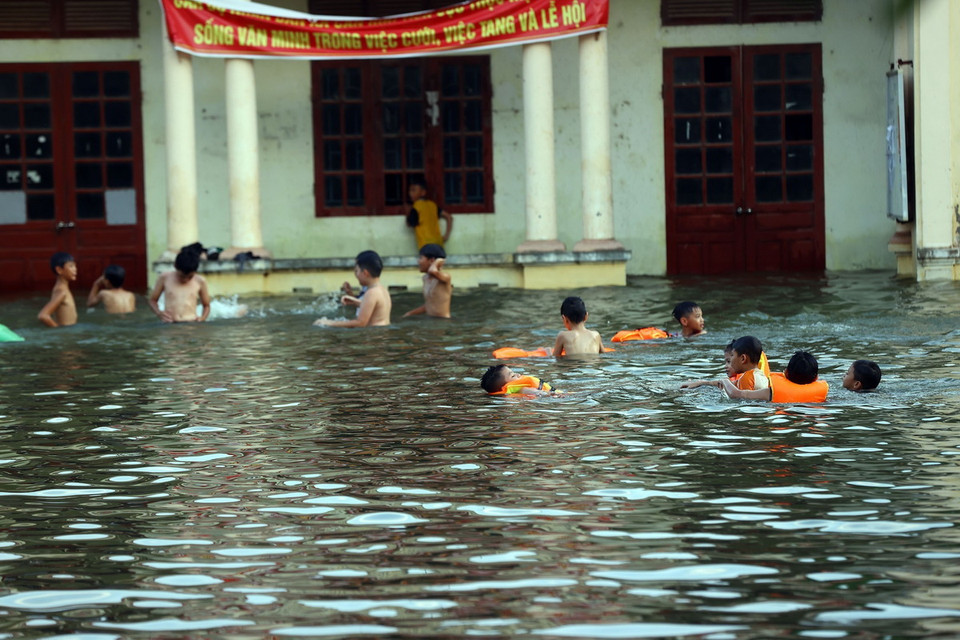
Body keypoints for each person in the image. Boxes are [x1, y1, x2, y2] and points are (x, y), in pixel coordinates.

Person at [315, 250, 391, 328]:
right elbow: (374, 308)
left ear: (365, 273)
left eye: (356, 271)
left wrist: (329, 323)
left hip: (374, 334)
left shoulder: (371, 293)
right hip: (381, 333)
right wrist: (355, 302)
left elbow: (360, 323)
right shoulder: (383, 290)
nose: (355, 275)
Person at [681, 336, 769, 398]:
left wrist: (725, 381)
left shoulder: (747, 378)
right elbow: (730, 384)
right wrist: (702, 383)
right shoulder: (758, 375)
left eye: (732, 356)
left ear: (743, 358)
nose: (731, 360)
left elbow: (735, 395)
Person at [148, 249, 211, 323]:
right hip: (170, 323)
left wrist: (203, 318)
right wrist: (159, 313)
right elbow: (152, 301)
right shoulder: (165, 277)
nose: (185, 280)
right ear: (175, 266)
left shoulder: (200, 281)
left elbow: (206, 305)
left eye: (190, 277)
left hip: (191, 323)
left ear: (195, 271)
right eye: (182, 276)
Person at [403, 244, 452, 319]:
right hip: (431, 320)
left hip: (443, 322)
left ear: (431, 260)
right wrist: (409, 314)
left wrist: (438, 261)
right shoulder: (425, 278)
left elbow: (432, 271)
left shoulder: (445, 277)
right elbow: (429, 305)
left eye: (421, 258)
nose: (418, 261)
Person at [405, 178, 452, 249]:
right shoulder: (433, 205)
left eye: (414, 190)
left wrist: (407, 212)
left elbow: (410, 224)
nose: (410, 193)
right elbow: (449, 217)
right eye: (410, 190)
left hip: (426, 245)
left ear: (423, 192)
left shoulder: (416, 206)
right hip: (439, 244)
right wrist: (446, 235)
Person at [37, 252, 78, 328]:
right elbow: (43, 315)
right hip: (66, 333)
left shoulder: (62, 289)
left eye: (75, 266)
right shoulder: (61, 292)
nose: (75, 269)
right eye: (71, 266)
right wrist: (58, 330)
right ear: (59, 270)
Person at [480, 364, 553, 396]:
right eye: (513, 376)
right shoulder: (524, 389)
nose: (518, 374)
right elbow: (544, 394)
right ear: (506, 386)